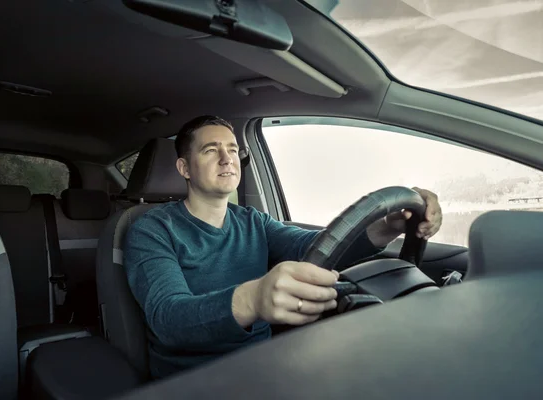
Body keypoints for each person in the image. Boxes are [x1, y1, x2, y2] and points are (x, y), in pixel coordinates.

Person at [124, 115, 442, 380]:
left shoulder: (253, 221)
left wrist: (387, 225)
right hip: (195, 381)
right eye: (210, 150)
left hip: (267, 365)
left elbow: (315, 248)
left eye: (233, 149)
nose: (227, 159)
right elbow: (169, 318)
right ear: (184, 169)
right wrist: (253, 299)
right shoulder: (151, 230)